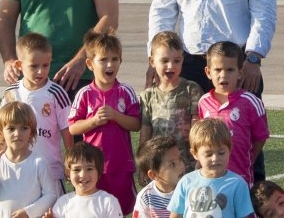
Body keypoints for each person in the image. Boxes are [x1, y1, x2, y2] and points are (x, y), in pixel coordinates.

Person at [147, 0, 277, 182]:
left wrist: (254, 58)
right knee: (189, 151)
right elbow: (163, 11)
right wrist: (156, 59)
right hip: (189, 66)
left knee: (241, 150)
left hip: (238, 66)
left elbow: (264, 13)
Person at [68, 30, 141, 212]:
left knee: (121, 210)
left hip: (120, 165)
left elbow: (136, 124)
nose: (110, 64)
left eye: (115, 59)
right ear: (90, 64)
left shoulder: (126, 92)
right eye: (103, 60)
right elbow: (73, 128)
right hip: (93, 167)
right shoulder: (84, 94)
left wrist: (116, 116)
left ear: (120, 61)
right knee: (94, 209)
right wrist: (93, 121)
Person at [2, 32, 73, 195]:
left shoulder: (56, 93)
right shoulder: (11, 93)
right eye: (34, 66)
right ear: (19, 65)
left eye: (46, 65)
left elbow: (67, 130)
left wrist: (70, 159)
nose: (40, 71)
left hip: (51, 169)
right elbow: (1, 129)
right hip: (18, 168)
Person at [198, 41, 270, 187]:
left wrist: (248, 158)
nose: (223, 75)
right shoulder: (203, 102)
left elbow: (260, 137)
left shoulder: (250, 102)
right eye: (217, 70)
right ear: (208, 72)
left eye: (230, 70)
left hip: (241, 177)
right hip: (211, 178)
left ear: (240, 72)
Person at [0, 101, 58, 216]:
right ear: (1, 131)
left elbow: (51, 195)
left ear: (31, 132)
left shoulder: (39, 163)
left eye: (24, 128)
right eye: (11, 129)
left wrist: (28, 212)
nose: (17, 133)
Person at [140, 31, 203, 173]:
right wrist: (144, 165)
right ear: (152, 62)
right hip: (159, 166)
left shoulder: (191, 89)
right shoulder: (148, 96)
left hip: (187, 165)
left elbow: (196, 126)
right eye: (164, 61)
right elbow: (145, 132)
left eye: (177, 60)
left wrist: (199, 158)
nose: (171, 66)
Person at [168, 119, 254, 218]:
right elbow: (176, 215)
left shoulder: (237, 184)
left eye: (221, 153)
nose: (215, 158)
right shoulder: (186, 181)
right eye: (208, 154)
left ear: (229, 150)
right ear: (195, 154)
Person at [50, 142, 123, 217]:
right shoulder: (62, 202)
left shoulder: (109, 202)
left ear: (99, 172)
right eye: (77, 170)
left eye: (89, 169)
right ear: (68, 173)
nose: (83, 175)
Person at [134, 136, 186, 218]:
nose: (181, 166)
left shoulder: (190, 187)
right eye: (172, 164)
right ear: (153, 175)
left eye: (180, 158)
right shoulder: (145, 197)